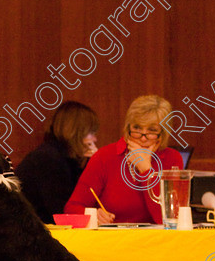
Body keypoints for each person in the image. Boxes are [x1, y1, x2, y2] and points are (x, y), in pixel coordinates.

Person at [64, 95, 183, 224]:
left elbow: (169, 219)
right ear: (128, 128)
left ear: (163, 134)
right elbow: (71, 208)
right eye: (137, 128)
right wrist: (93, 214)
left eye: (152, 130)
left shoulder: (172, 158)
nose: (142, 138)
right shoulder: (104, 157)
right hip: (112, 240)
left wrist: (146, 171)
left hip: (158, 240)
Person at [16, 101, 99, 223]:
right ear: (76, 132)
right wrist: (94, 164)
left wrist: (90, 163)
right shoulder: (49, 159)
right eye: (90, 133)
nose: (94, 139)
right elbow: (64, 212)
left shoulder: (57, 156)